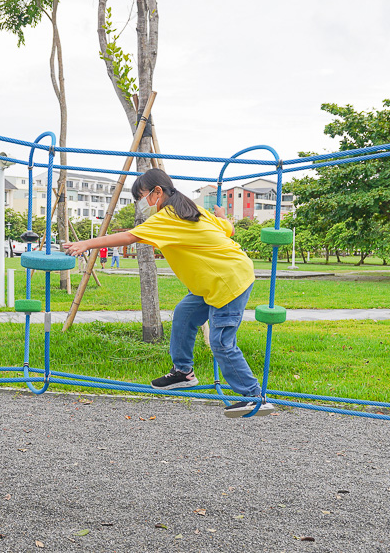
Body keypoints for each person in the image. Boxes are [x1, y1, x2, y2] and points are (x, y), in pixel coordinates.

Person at [63, 168, 274, 418]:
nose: (141, 205)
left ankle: (254, 397)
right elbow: (229, 230)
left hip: (228, 281)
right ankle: (183, 372)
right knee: (184, 315)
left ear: (158, 192)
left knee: (221, 342)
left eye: (142, 197)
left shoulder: (168, 216)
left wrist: (86, 243)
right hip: (217, 279)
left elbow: (129, 237)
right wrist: (223, 216)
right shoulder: (195, 211)